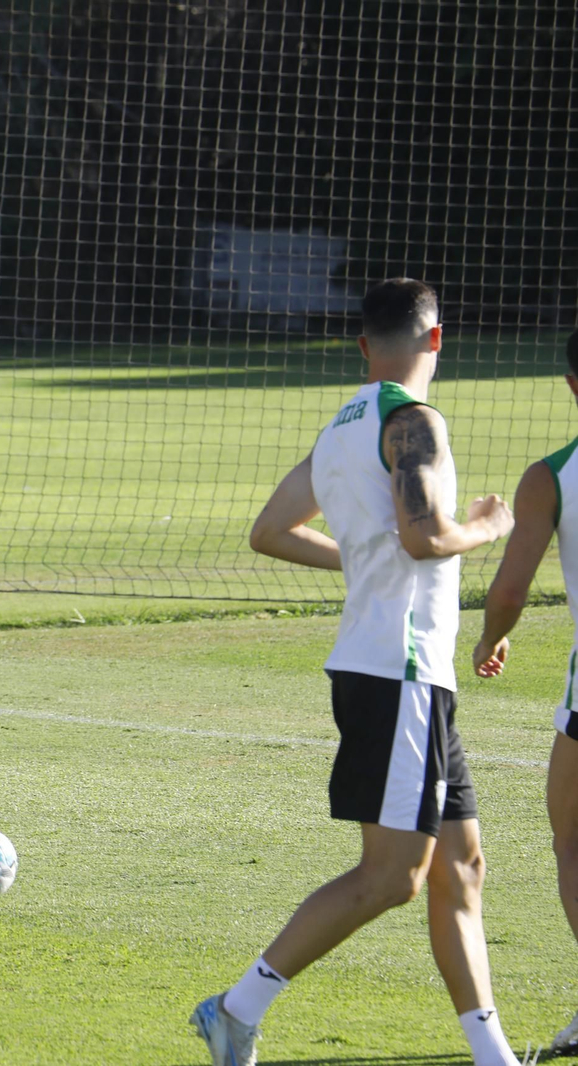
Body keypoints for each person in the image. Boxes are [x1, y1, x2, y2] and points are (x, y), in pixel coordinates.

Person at [192, 279, 520, 1066]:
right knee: (394, 877)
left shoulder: (343, 425)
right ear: (436, 341)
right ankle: (236, 1008)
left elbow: (271, 531)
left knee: (461, 865)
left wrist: (363, 562)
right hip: (398, 673)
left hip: (407, 674)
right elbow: (425, 537)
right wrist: (488, 524)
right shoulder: (413, 423)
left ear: (364, 346)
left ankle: (494, 1056)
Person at [472, 329, 578, 1056]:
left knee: (572, 837)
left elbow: (511, 588)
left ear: (572, 384)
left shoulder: (553, 475)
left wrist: (490, 637)